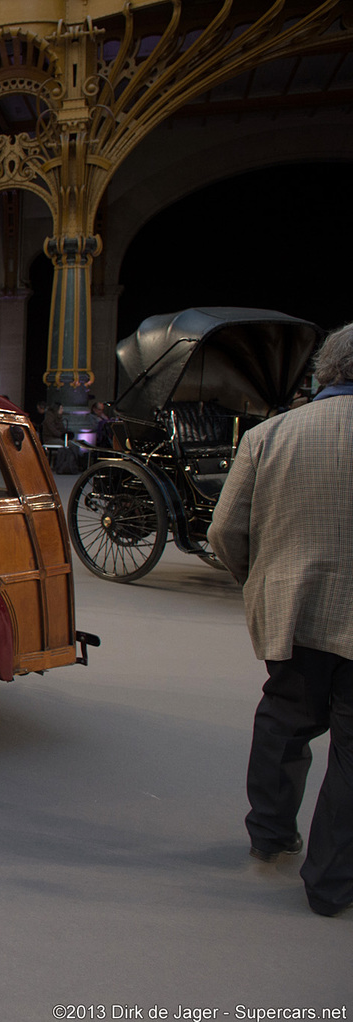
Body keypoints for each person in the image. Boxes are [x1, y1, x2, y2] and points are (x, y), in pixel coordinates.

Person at [208, 321, 353, 917]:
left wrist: (262, 579)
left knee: (284, 720)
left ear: (327, 369)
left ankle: (271, 834)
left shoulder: (269, 436)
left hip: (292, 611)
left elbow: (224, 531)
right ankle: (331, 884)